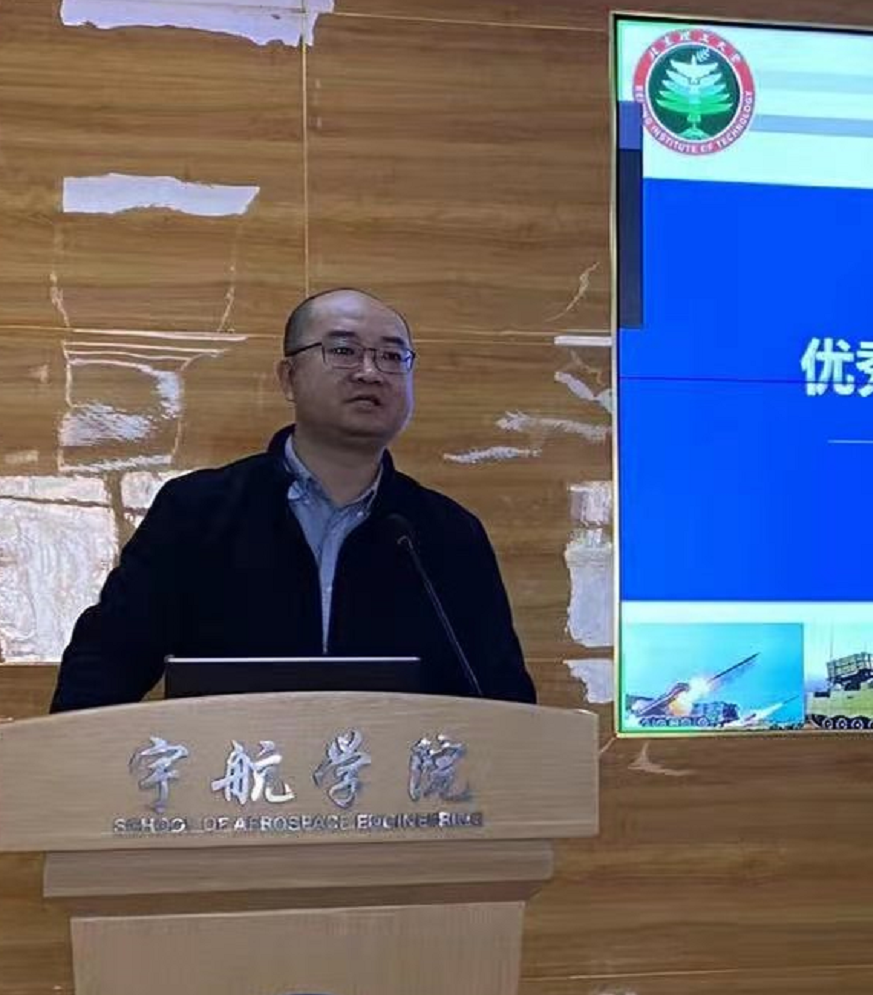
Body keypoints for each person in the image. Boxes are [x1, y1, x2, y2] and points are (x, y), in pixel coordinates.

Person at [50, 288, 536, 712]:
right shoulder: (197, 510)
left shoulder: (446, 532)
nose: (370, 372)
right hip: (232, 781)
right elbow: (105, 666)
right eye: (343, 350)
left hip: (397, 785)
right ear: (288, 378)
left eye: (392, 356)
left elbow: (503, 699)